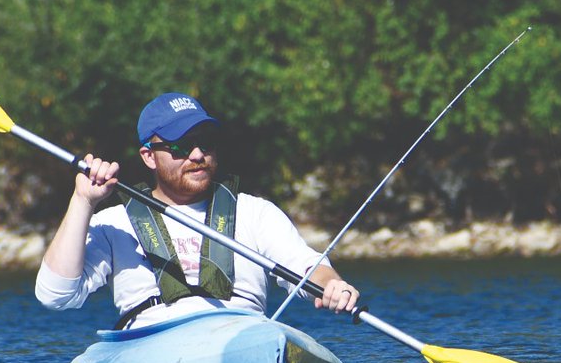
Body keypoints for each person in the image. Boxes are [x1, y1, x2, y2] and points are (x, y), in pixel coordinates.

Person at [35, 92, 360, 329]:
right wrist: (83, 201)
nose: (197, 155)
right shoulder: (114, 223)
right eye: (180, 145)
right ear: (148, 157)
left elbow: (306, 267)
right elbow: (55, 295)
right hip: (151, 348)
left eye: (205, 142)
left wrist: (332, 284)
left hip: (243, 337)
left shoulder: (255, 213)